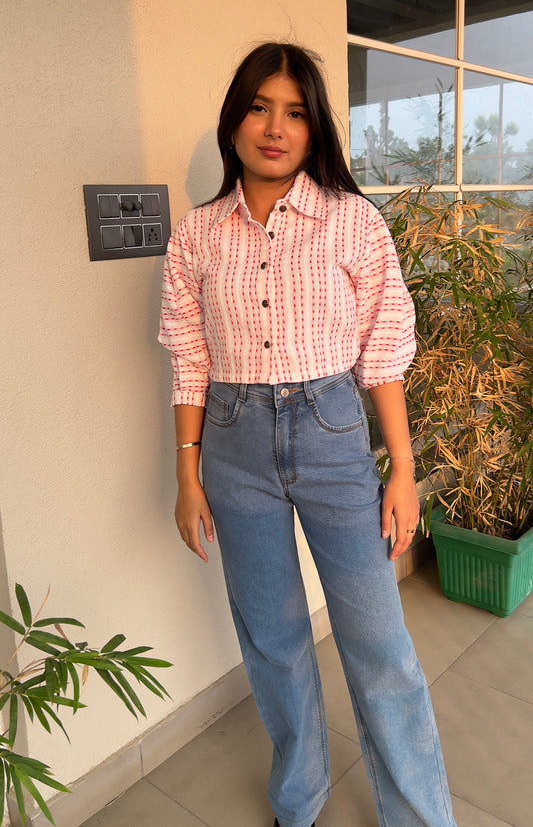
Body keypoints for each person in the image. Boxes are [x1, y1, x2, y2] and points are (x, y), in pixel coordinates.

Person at [159, 42, 456, 827]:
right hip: (231, 445)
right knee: (274, 640)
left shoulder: (351, 221)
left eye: (293, 111)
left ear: (313, 126)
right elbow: (189, 360)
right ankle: (299, 801)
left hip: (330, 436)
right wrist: (186, 476)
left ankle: (420, 814)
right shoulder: (196, 236)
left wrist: (400, 468)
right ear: (234, 120)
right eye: (259, 106)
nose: (273, 127)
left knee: (377, 642)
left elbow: (384, 347)